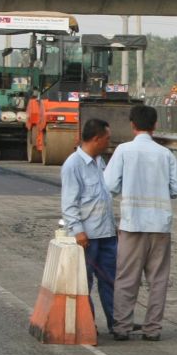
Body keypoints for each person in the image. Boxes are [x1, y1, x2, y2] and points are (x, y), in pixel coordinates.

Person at [103, 104, 177, 341]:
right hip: (160, 226)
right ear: (155, 125)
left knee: (127, 278)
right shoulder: (165, 154)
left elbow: (109, 185)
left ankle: (122, 326)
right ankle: (152, 329)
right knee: (158, 280)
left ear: (132, 125)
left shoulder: (123, 151)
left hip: (132, 224)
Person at [60, 118, 117, 335]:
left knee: (111, 280)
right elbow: (69, 204)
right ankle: (86, 324)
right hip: (87, 237)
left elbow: (103, 197)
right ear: (95, 139)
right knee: (84, 283)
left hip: (106, 235)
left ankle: (116, 323)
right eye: (106, 139)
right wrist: (78, 232)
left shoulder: (99, 162)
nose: (108, 143)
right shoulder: (73, 165)